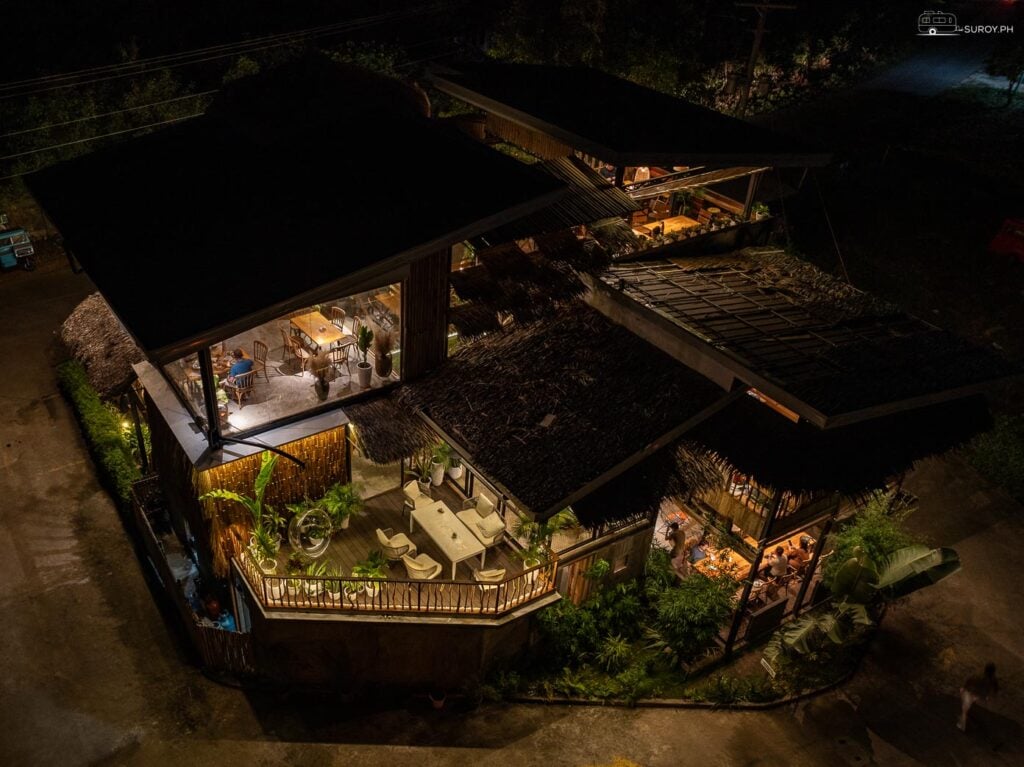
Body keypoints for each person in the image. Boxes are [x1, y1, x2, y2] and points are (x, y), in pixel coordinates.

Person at [958, 663, 998, 731]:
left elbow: (969, 681)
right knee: (969, 705)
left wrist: (964, 688)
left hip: (973, 694)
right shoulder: (993, 680)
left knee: (965, 709)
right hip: (980, 696)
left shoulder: (979, 676)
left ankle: (962, 725)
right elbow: (995, 689)